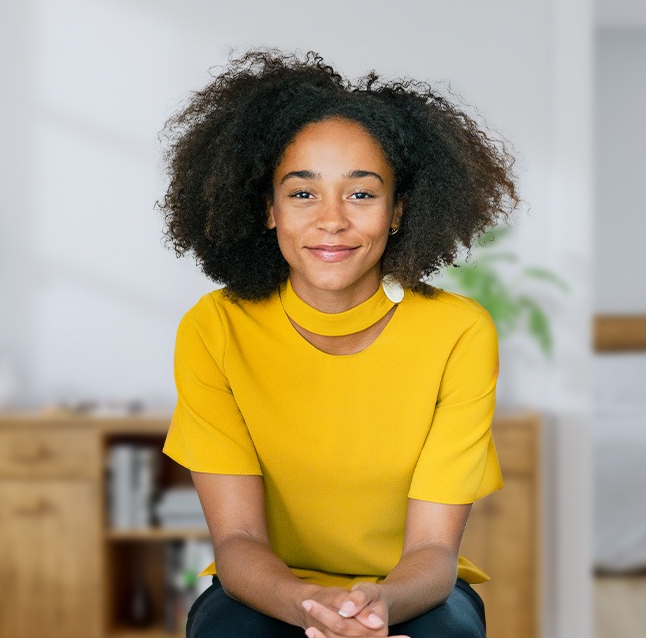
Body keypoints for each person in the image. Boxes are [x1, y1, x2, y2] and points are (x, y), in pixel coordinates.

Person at [158, 48, 521, 638]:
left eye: (361, 193)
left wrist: (374, 609)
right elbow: (238, 539)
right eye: (302, 193)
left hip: (412, 589)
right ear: (268, 209)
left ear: (399, 209)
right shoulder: (215, 328)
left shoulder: (458, 332)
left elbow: (432, 551)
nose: (331, 220)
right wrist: (312, 607)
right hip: (264, 587)